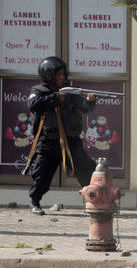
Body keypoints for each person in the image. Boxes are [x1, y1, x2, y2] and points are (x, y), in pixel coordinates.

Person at [25, 56, 97, 215]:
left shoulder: (70, 91)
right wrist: (56, 97)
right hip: (48, 141)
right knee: (42, 174)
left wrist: (90, 102)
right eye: (58, 75)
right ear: (48, 75)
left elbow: (83, 107)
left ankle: (93, 202)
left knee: (85, 170)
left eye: (63, 75)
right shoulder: (38, 91)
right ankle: (34, 202)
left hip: (71, 140)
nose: (62, 78)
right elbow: (33, 104)